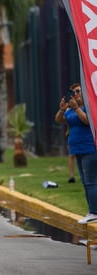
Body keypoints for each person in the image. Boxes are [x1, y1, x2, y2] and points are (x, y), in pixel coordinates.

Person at [55, 83, 97, 224]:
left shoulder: (89, 107)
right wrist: (62, 110)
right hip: (76, 149)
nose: (76, 94)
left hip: (88, 149)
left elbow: (87, 121)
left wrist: (76, 107)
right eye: (74, 92)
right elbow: (59, 119)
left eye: (78, 91)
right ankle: (91, 210)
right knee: (85, 182)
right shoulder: (71, 110)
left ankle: (94, 212)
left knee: (91, 181)